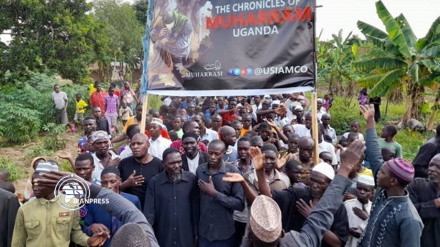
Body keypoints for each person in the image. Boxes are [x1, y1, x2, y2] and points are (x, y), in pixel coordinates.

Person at [222, 139, 367, 247]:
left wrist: (259, 172)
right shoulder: (298, 194)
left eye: (321, 183)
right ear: (282, 233)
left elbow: (337, 243)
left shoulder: (339, 208)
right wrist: (345, 168)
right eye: (313, 180)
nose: (315, 185)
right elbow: (269, 200)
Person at [358, 104, 423, 247]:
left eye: (382, 173)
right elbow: (375, 153)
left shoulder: (410, 219)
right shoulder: (383, 190)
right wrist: (370, 121)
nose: (378, 173)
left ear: (393, 181)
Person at [11, 163, 109, 247]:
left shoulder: (71, 205)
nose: (35, 188)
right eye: (33, 184)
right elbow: (18, 242)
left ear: (54, 184)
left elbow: (75, 233)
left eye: (40, 184)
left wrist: (89, 241)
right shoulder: (25, 209)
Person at [144, 148, 198, 247]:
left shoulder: (191, 179)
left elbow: (196, 209)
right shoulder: (155, 182)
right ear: (163, 164)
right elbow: (149, 212)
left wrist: (196, 233)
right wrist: (148, 235)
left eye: (179, 162)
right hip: (163, 236)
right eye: (172, 163)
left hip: (186, 236)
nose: (177, 166)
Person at [196, 140, 245, 246]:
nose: (212, 157)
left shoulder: (232, 172)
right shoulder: (200, 170)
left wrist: (215, 194)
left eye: (217, 154)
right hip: (204, 233)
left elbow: (240, 204)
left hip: (224, 234)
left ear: (224, 153)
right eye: (210, 153)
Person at [83, 167, 141, 247]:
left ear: (120, 181)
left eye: (112, 182)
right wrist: (92, 228)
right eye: (104, 183)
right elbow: (85, 228)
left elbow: (139, 228)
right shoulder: (95, 203)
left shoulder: (133, 200)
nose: (108, 186)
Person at [118, 133, 163, 210]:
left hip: (152, 210)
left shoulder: (159, 164)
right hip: (128, 209)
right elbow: (114, 190)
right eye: (133, 144)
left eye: (139, 144)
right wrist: (125, 184)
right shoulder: (124, 163)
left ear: (148, 146)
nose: (135, 147)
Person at [150, 10, 193, 87]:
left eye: (170, 23)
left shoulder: (185, 23)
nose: (169, 26)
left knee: (178, 61)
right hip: (166, 49)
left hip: (180, 50)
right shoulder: (162, 22)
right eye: (167, 24)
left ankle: (180, 67)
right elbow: (152, 35)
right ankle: (164, 66)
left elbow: (183, 43)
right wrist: (158, 34)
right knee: (157, 44)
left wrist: (167, 42)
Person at [407, 154, 440, 247]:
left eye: (438, 167)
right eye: (431, 165)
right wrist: (435, 203)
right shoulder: (417, 184)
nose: (432, 169)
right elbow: (408, 212)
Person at [343, 175, 375, 247]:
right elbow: (339, 226)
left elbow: (376, 231)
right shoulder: (347, 205)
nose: (362, 192)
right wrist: (348, 230)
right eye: (359, 188)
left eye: (366, 190)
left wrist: (367, 218)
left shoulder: (374, 208)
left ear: (372, 192)